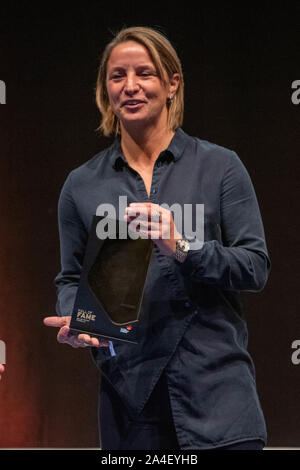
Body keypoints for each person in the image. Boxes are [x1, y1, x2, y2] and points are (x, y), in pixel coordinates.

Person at [44, 26, 271, 450]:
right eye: (117, 76)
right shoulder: (82, 184)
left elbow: (255, 267)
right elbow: (71, 279)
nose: (130, 86)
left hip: (217, 394)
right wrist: (77, 322)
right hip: (131, 400)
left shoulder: (220, 166)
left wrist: (183, 246)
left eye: (144, 73)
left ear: (171, 83)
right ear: (105, 89)